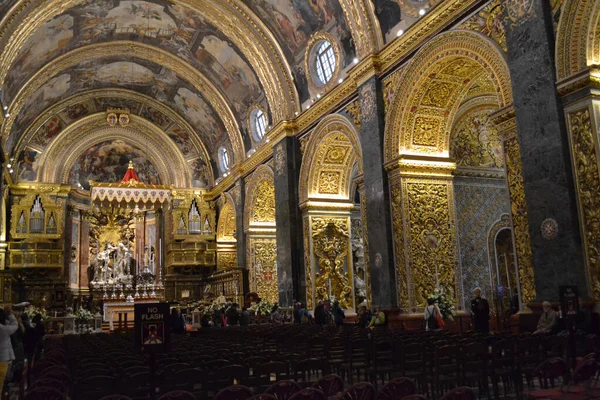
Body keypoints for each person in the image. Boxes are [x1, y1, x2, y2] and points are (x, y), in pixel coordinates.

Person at [0, 308, 18, 394]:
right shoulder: (3, 329)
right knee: (2, 384)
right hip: (3, 359)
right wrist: (10, 315)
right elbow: (15, 325)